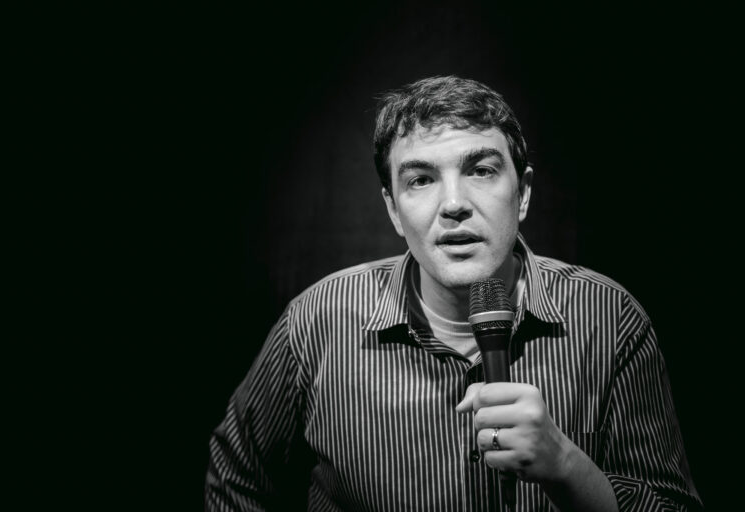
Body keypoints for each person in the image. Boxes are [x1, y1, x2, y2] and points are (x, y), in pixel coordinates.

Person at [205, 76, 702, 511]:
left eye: (481, 170)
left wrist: (568, 467)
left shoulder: (610, 320)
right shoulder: (315, 322)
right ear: (394, 210)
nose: (454, 204)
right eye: (421, 179)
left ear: (523, 192)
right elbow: (236, 477)